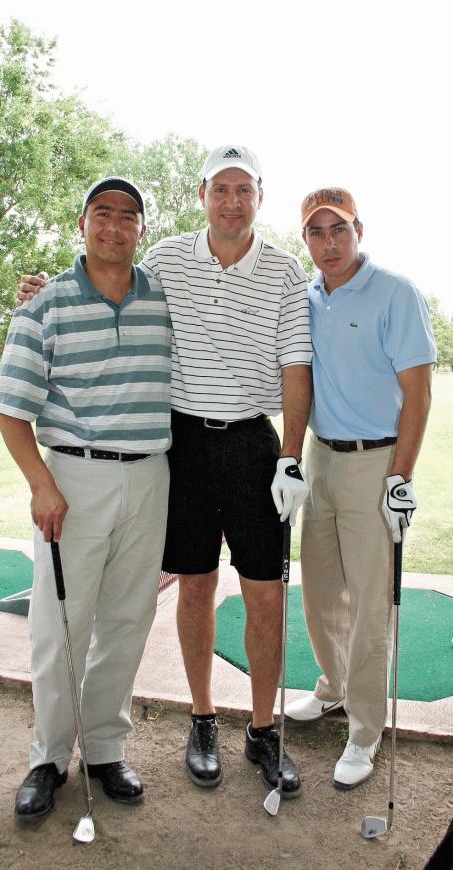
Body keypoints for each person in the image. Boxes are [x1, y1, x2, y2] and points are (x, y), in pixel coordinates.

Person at [17, 145, 313, 799]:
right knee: (195, 588)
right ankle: (202, 720)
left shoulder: (286, 271)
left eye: (244, 189)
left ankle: (263, 731)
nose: (231, 201)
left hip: (252, 447)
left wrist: (291, 457)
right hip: (179, 444)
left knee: (265, 596)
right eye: (220, 189)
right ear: (202, 195)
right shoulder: (167, 259)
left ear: (259, 196)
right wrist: (46, 292)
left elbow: (297, 369)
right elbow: (106, 280)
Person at [0, 177, 171, 820]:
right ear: (82, 224)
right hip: (73, 478)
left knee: (126, 622)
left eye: (129, 216)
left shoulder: (162, 298)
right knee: (59, 627)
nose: (115, 226)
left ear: (141, 230)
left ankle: (104, 748)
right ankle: (49, 755)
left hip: (151, 475)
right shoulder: (45, 305)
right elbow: (12, 412)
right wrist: (42, 484)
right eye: (103, 213)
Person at [285, 187, 436, 790]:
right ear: (305, 240)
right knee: (321, 591)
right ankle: (333, 688)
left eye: (338, 229)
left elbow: (419, 393)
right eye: (316, 232)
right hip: (321, 459)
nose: (329, 242)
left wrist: (399, 478)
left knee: (373, 603)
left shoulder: (395, 293)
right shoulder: (306, 297)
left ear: (359, 230)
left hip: (376, 463)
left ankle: (366, 730)